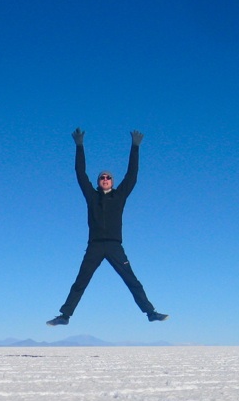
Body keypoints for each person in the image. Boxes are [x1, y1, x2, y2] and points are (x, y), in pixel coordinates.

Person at [47, 128, 168, 326]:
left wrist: (135, 148)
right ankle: (64, 316)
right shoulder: (92, 197)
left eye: (108, 177)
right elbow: (80, 173)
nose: (105, 179)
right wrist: (79, 146)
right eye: (102, 177)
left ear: (112, 181)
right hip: (94, 246)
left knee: (131, 280)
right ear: (98, 182)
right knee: (81, 281)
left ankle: (151, 312)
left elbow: (132, 174)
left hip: (114, 246)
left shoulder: (119, 196)